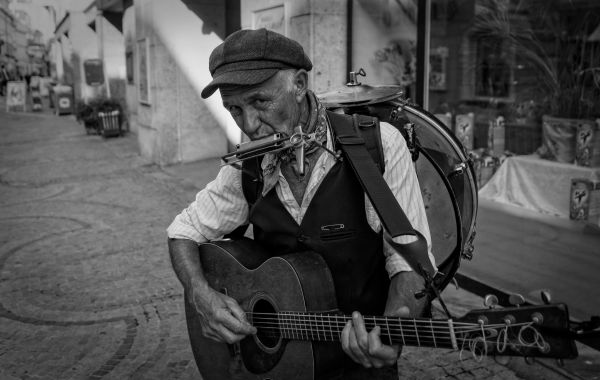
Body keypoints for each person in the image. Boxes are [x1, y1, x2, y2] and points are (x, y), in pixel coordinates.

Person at [167, 28, 436, 379]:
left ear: (299, 84)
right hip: (283, 365)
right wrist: (201, 295)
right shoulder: (247, 168)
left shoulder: (377, 148)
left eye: (261, 102)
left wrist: (391, 332)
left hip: (357, 365)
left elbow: (409, 264)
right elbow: (182, 232)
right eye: (234, 109)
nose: (249, 125)